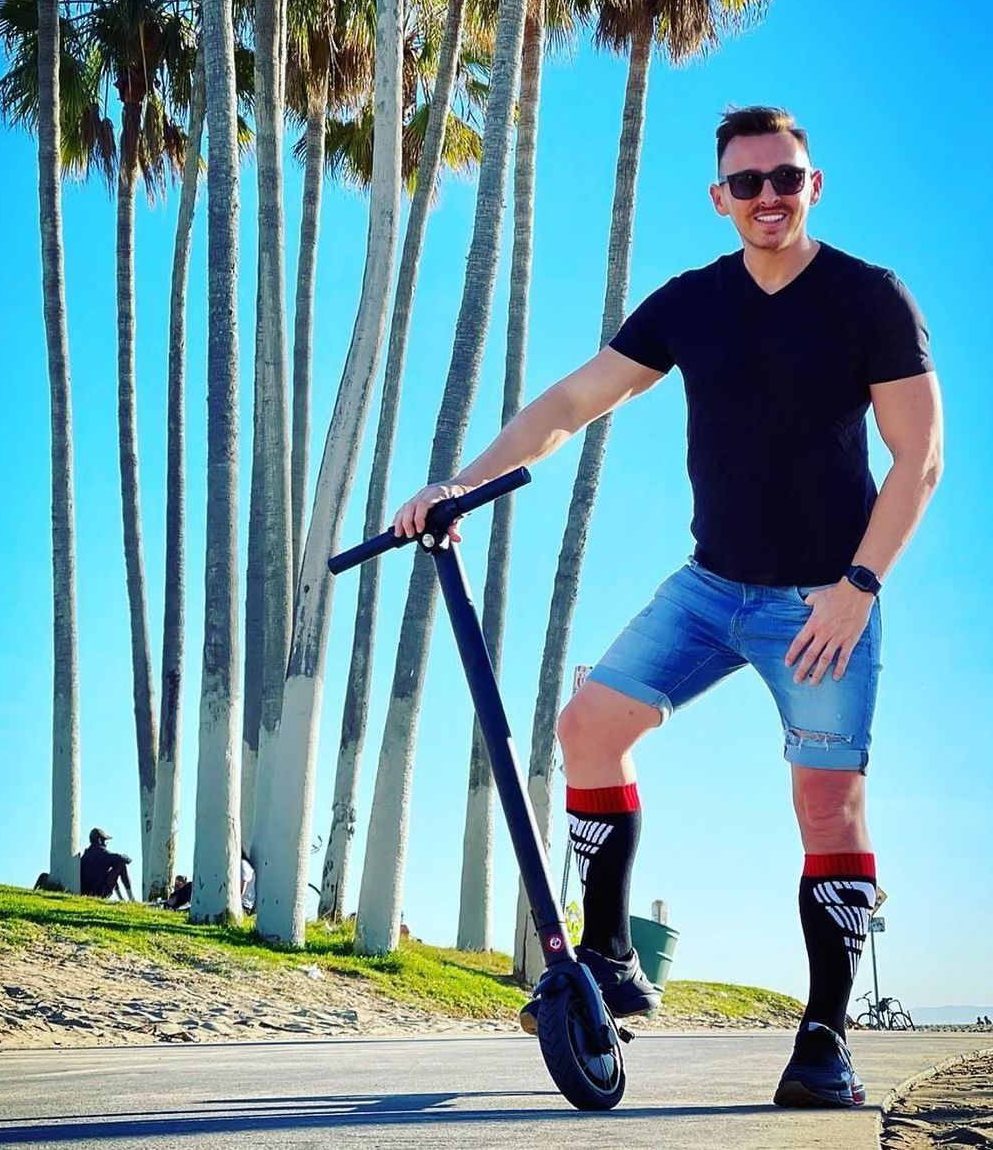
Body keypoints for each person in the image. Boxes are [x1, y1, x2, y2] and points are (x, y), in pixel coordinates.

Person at [392, 106, 943, 1110]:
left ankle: (825, 1036)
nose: (769, 196)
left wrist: (859, 589)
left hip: (825, 597)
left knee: (828, 805)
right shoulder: (693, 302)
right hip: (710, 587)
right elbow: (572, 403)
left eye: (786, 178)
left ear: (814, 185)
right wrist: (460, 485)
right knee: (589, 729)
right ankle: (610, 957)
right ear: (719, 197)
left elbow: (920, 458)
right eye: (749, 182)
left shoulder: (869, 298)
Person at [80, 828, 135, 901]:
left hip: (85, 892)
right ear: (99, 840)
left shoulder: (86, 854)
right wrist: (127, 858)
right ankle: (131, 898)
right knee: (120, 864)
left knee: (111, 869)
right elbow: (122, 859)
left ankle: (121, 898)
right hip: (98, 892)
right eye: (105, 841)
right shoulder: (102, 852)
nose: (106, 844)